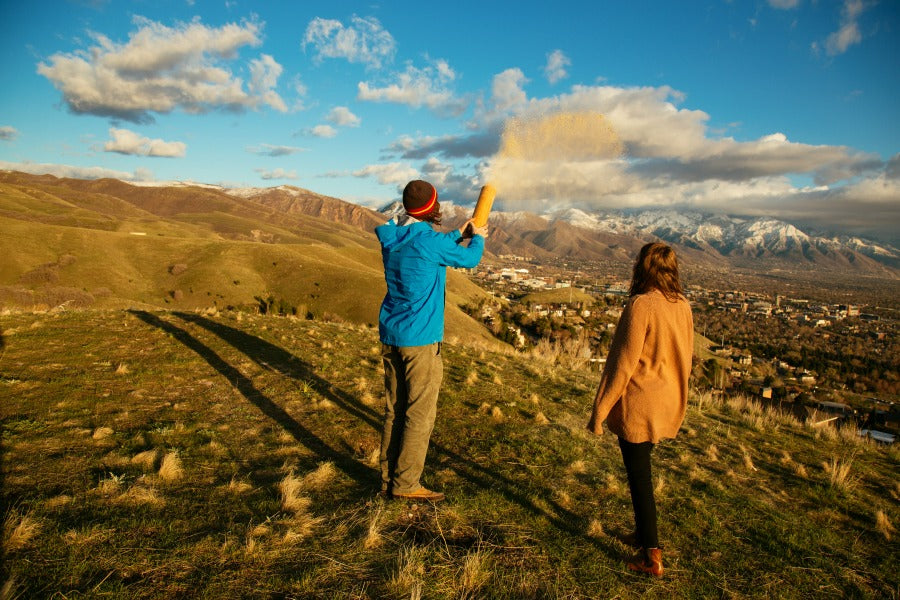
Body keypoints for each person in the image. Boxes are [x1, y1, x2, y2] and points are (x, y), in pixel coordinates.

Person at [376, 180, 488, 502]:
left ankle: (387, 479)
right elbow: (469, 261)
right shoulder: (427, 242)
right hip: (420, 340)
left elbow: (424, 243)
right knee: (419, 413)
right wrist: (477, 238)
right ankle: (407, 484)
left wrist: (458, 234)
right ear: (432, 208)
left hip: (391, 333)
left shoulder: (394, 234)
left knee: (394, 410)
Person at [587, 242, 694, 576]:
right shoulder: (683, 305)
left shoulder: (641, 305)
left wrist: (599, 411)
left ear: (641, 267)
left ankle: (651, 556)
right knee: (641, 474)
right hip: (667, 400)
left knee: (639, 477)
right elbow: (686, 357)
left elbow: (622, 363)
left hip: (640, 403)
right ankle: (642, 532)